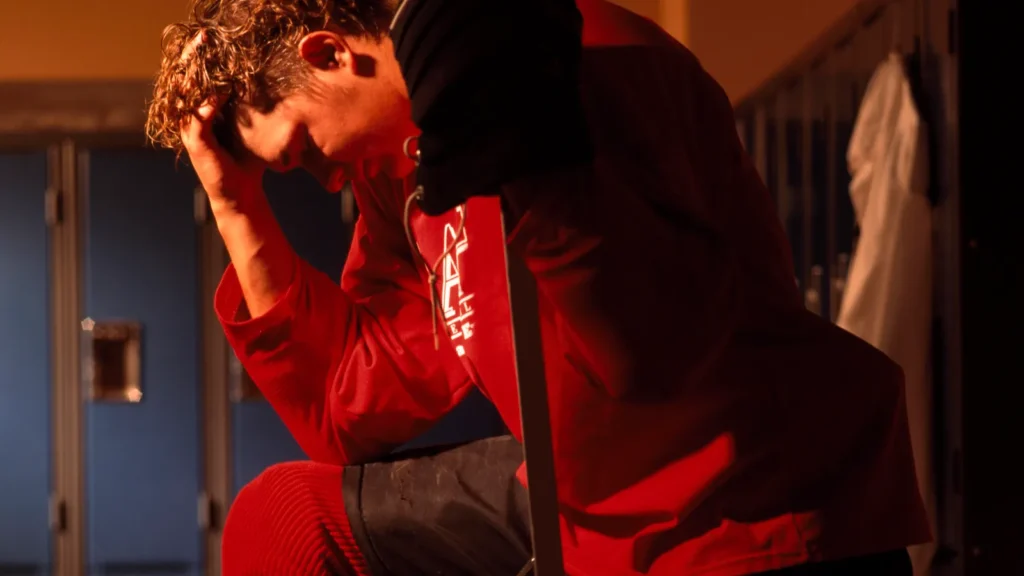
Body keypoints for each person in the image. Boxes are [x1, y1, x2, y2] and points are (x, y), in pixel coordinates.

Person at [146, 0, 930, 574]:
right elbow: (347, 406)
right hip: (581, 500)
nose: (320, 181)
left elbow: (645, 357)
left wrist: (513, 151)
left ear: (328, 54)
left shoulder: (584, 64)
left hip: (740, 513)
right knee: (283, 518)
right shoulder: (402, 182)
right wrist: (235, 203)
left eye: (301, 150)